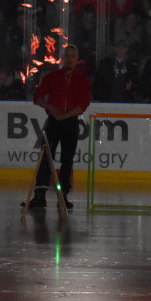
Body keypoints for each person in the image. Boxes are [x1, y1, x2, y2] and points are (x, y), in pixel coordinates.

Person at [25, 44, 91, 211]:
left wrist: (66, 115)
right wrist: (52, 109)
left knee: (67, 160)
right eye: (67, 55)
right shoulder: (52, 77)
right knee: (46, 157)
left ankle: (63, 196)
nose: (69, 58)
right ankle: (39, 196)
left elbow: (83, 104)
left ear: (77, 60)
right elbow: (38, 97)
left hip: (70, 123)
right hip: (53, 121)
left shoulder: (82, 81)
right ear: (63, 57)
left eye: (72, 56)